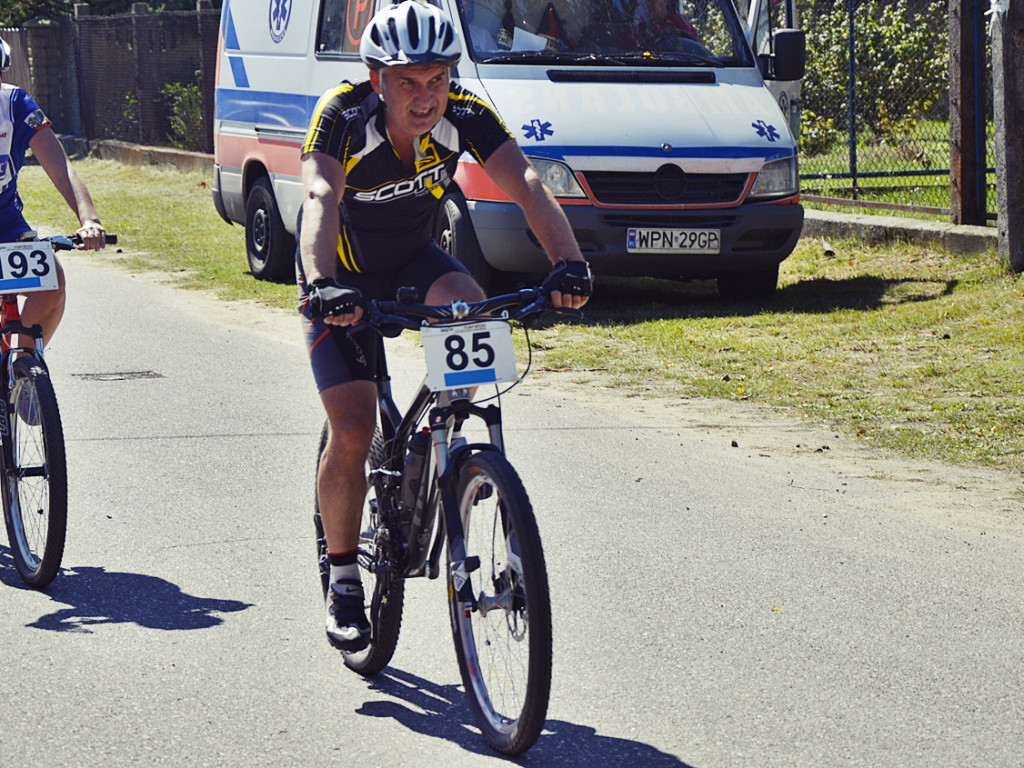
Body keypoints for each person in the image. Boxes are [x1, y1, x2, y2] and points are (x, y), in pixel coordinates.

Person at [297, 0, 591, 652]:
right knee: (352, 425)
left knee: (472, 306)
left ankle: (461, 458)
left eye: (437, 79)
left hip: (413, 260)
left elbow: (528, 188)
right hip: (341, 274)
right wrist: (322, 287)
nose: (426, 96)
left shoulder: (465, 115)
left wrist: (569, 264)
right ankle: (345, 575)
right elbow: (319, 198)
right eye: (408, 81)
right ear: (378, 79)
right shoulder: (342, 117)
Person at [0, 36, 108, 347]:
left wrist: (90, 220)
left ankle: (22, 370)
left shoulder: (16, 105)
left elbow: (60, 165)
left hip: (6, 224)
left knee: (52, 283)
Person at [621, 0, 698, 50]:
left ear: (665, 1)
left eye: (652, 2)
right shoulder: (640, 30)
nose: (648, 7)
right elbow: (622, 54)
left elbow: (691, 52)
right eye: (645, 3)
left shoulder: (678, 23)